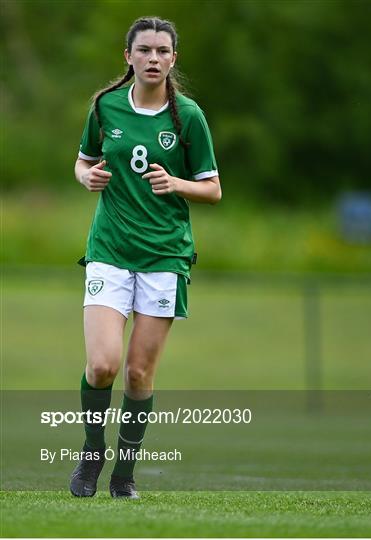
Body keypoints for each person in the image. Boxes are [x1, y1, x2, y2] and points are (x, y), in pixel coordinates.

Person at [69, 16, 221, 499]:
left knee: (138, 374)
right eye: (145, 50)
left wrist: (176, 184)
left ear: (173, 59)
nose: (153, 58)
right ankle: (92, 455)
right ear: (128, 56)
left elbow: (213, 189)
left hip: (164, 257)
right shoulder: (105, 106)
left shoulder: (189, 116)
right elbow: (84, 160)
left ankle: (123, 476)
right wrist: (85, 177)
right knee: (102, 367)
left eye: (162, 51)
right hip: (110, 251)